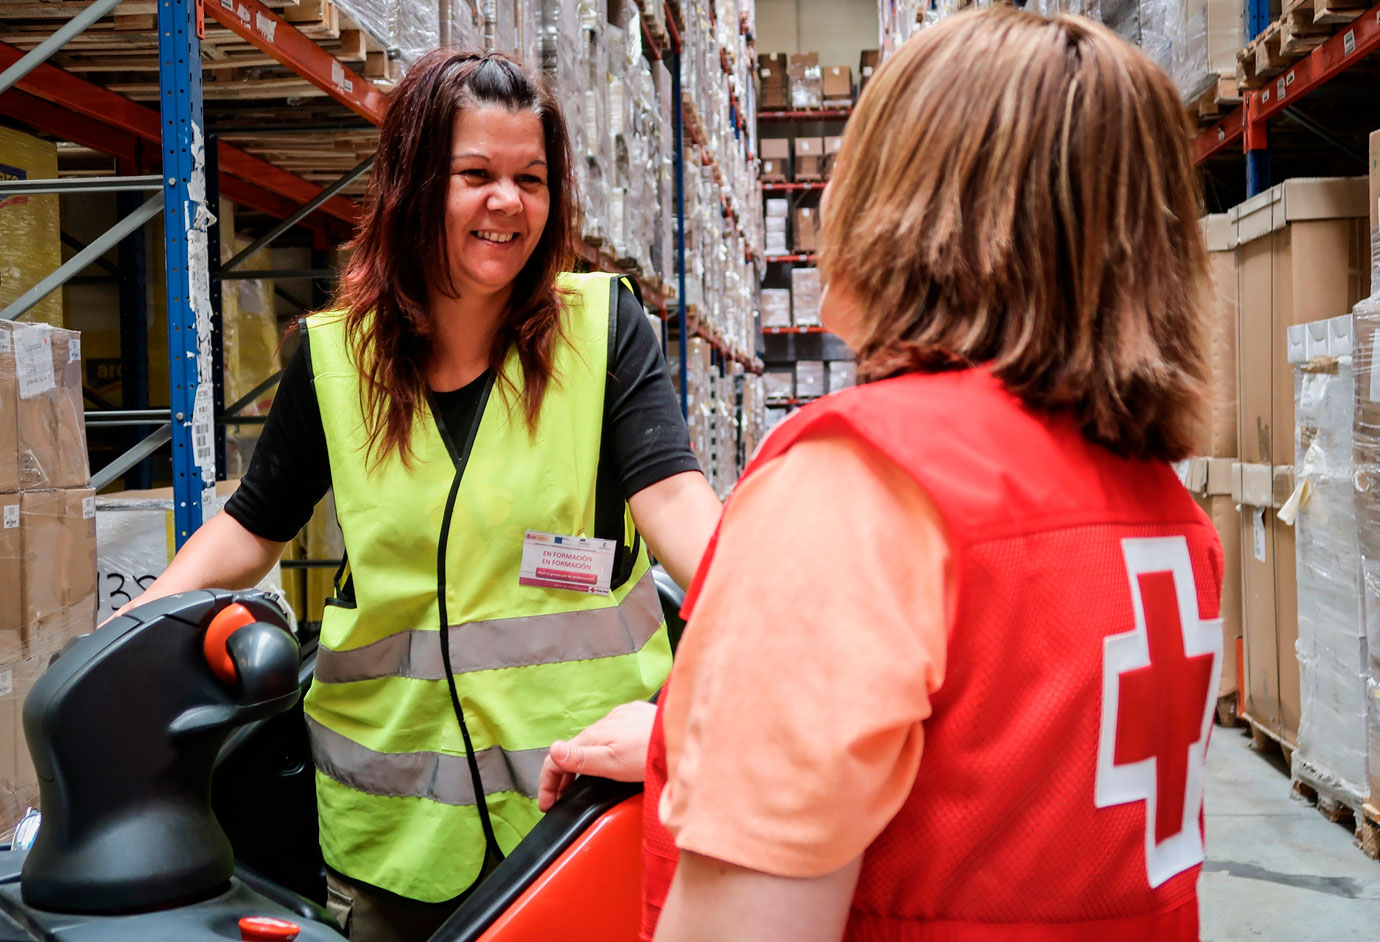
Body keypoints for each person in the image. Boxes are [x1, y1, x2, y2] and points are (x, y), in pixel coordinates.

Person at [540, 9, 1224, 940]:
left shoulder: (861, 487)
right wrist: (684, 743)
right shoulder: (1161, 504)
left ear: (907, 208)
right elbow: (1004, 774)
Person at [118, 49, 723, 942]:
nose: (507, 202)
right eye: (474, 174)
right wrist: (127, 639)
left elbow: (674, 500)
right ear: (411, 186)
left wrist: (764, 621)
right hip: (393, 835)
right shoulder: (339, 359)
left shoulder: (601, 327)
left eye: (531, 178)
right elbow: (251, 528)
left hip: (578, 812)